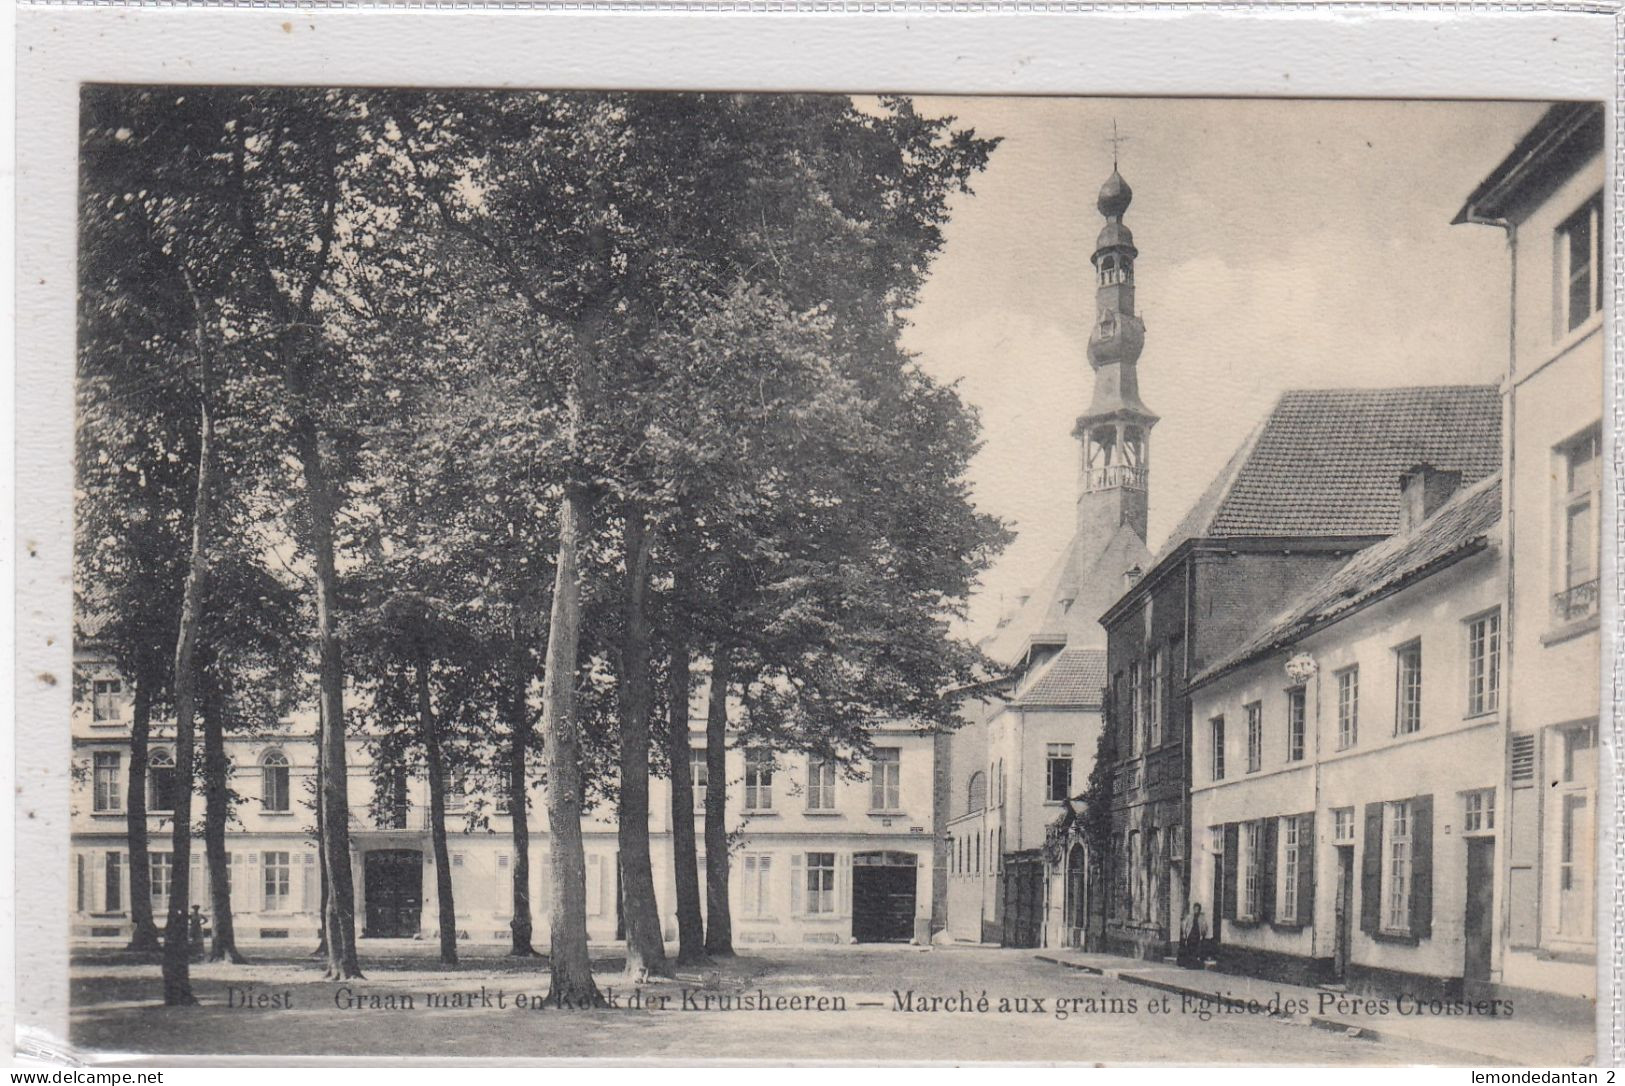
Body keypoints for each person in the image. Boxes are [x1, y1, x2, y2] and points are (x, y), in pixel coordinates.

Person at [1177, 903, 1206, 969]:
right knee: (1189, 950)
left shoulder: (1201, 918)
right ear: (1193, 909)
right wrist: (1184, 933)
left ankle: (1193, 965)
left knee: (1195, 950)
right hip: (1190, 935)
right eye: (1195, 909)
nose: (1196, 910)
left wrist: (1203, 933)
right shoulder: (1189, 916)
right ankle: (1188, 965)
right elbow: (1184, 924)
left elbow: (1204, 927)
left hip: (1197, 936)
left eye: (1198, 909)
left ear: (1199, 910)